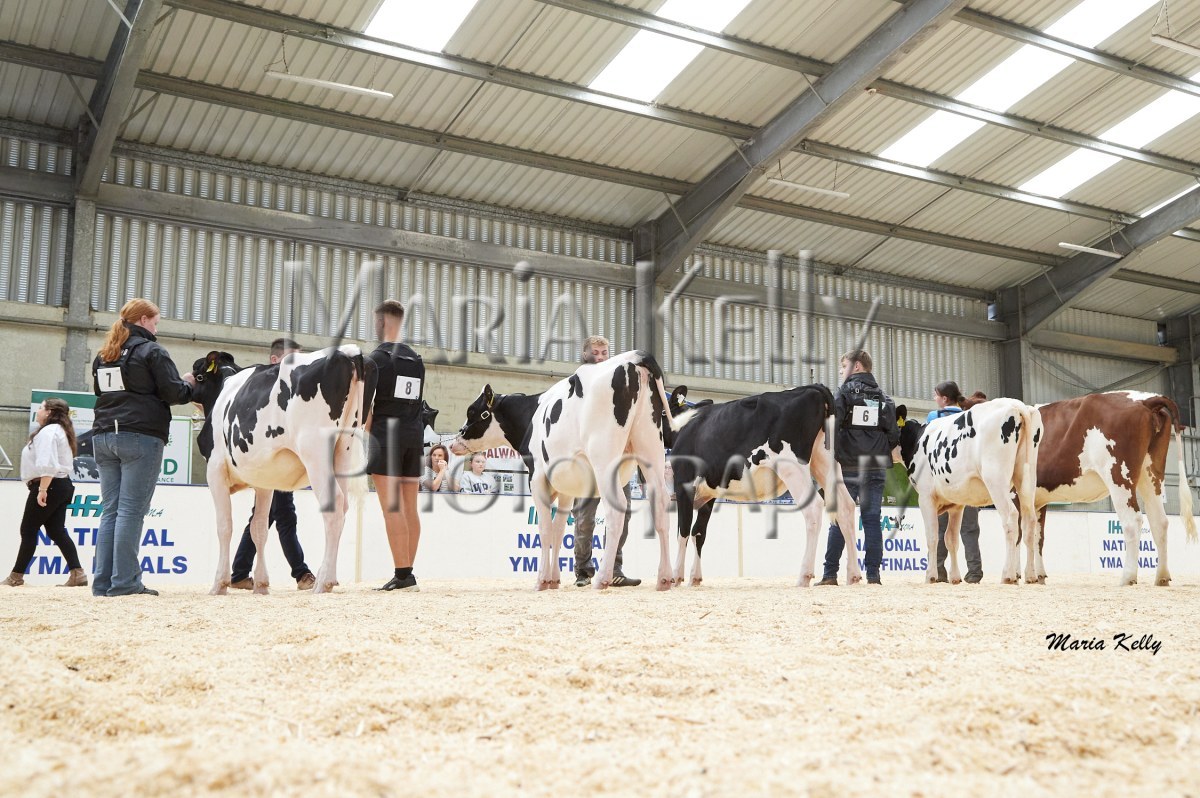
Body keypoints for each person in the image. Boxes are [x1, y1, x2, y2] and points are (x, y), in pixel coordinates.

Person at [90, 298, 197, 597]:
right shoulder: (152, 351)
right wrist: (188, 383)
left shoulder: (105, 354)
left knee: (111, 511)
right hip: (140, 435)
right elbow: (173, 393)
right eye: (156, 322)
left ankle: (103, 583)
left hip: (103, 435)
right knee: (130, 512)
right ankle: (125, 583)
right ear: (143, 320)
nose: (156, 329)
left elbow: (101, 391)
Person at [229, 339, 317, 592]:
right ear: (274, 360)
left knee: (264, 516)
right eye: (292, 359)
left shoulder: (286, 391)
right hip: (268, 461)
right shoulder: (263, 387)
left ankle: (239, 572)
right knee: (284, 516)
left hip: (278, 460)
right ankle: (301, 573)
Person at [817, 349, 899, 586]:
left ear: (857, 367)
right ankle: (873, 575)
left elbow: (832, 427)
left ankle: (830, 574)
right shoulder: (884, 398)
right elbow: (893, 434)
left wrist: (833, 454)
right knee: (872, 519)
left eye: (844, 366)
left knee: (840, 518)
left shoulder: (843, 393)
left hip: (849, 464)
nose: (841, 371)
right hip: (875, 466)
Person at [572, 335, 641, 588]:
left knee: (623, 514)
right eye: (595, 353)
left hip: (617, 460)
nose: (600, 357)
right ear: (585, 355)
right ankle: (583, 570)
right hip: (589, 462)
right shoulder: (578, 383)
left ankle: (614, 567)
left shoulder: (618, 383)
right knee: (585, 518)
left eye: (604, 353)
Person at [366, 300, 425, 592]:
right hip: (413, 435)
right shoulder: (416, 359)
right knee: (410, 508)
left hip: (385, 437)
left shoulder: (375, 359)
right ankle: (407, 572)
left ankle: (403, 575)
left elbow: (367, 407)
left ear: (381, 322)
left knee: (392, 508)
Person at [4, 398, 86, 588]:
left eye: (41, 408)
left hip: (49, 484)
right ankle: (77, 573)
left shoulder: (49, 432)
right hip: (61, 484)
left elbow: (48, 462)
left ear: (49, 412)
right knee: (56, 530)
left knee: (28, 529)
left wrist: (42, 489)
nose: (38, 411)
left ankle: (16, 577)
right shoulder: (60, 431)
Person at [928, 382, 985, 584]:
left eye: (936, 395)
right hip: (968, 478)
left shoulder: (934, 417)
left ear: (944, 399)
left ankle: (939, 571)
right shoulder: (969, 417)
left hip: (944, 482)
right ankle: (974, 572)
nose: (934, 398)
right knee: (970, 528)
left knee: (941, 528)